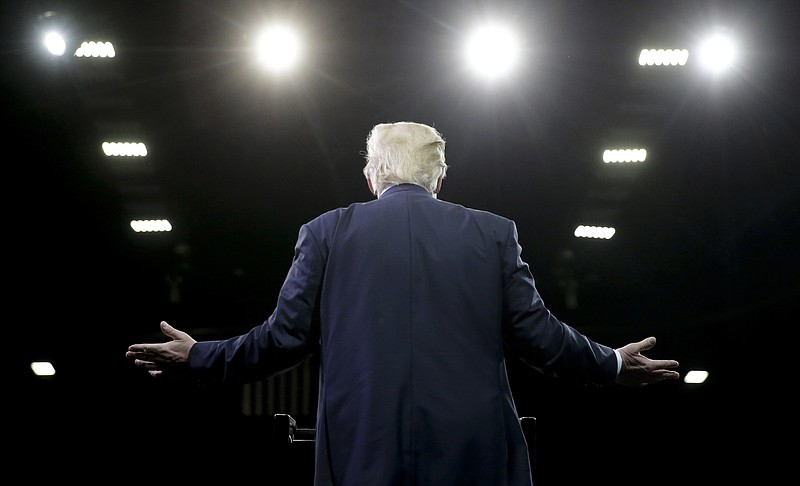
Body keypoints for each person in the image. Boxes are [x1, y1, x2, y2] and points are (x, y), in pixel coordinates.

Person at [126, 121, 680, 485]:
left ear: (374, 174)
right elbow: (539, 336)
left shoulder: (326, 232)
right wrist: (611, 363)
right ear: (438, 178)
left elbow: (282, 339)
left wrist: (200, 355)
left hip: (361, 453)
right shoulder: (493, 233)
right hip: (474, 457)